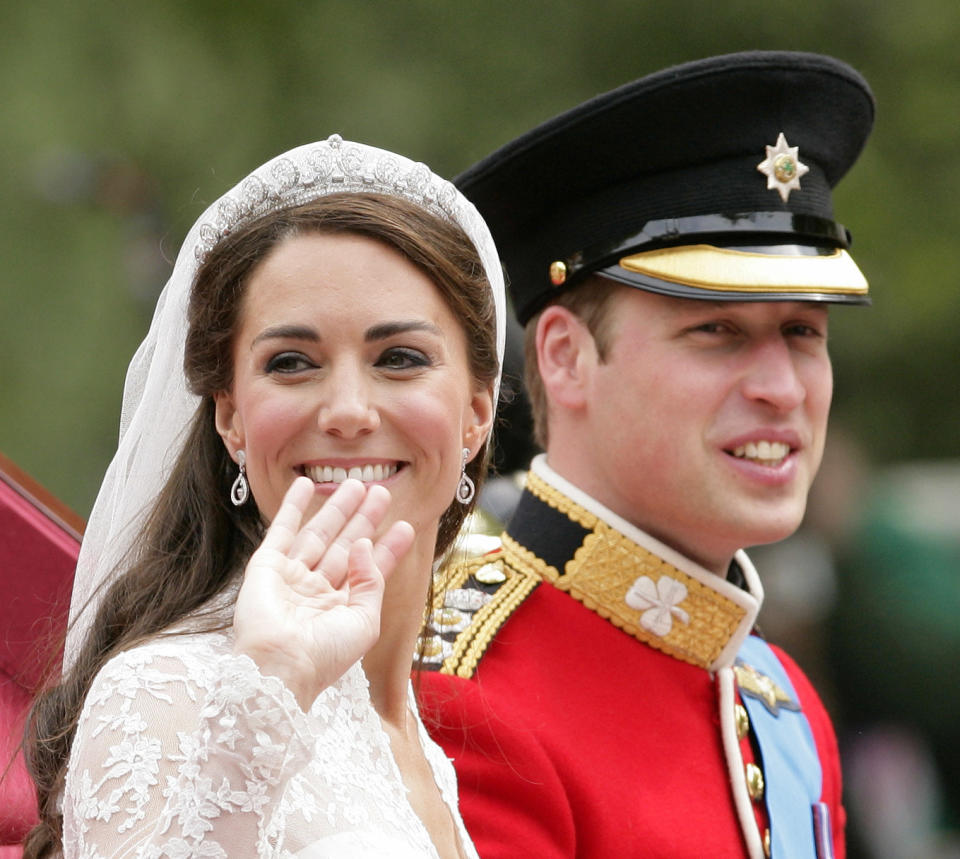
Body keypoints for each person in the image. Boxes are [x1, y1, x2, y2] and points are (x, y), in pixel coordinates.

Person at [418, 51, 875, 859]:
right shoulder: (464, 698)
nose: (782, 387)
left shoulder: (782, 700)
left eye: (804, 332)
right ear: (562, 356)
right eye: (718, 331)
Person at [23, 135, 507, 859]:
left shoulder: (424, 751)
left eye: (399, 358)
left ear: (476, 413)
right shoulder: (166, 691)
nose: (348, 409)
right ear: (230, 418)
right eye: (292, 362)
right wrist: (265, 696)